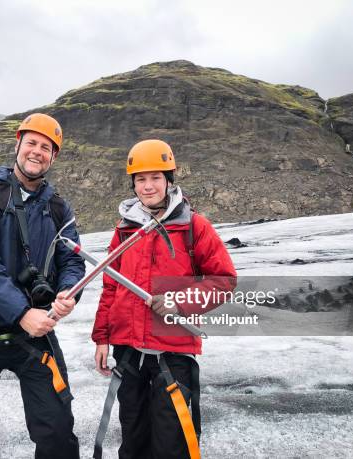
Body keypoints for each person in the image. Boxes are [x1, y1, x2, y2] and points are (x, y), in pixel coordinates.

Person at [0, 113, 85, 459]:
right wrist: (22, 312)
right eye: (32, 143)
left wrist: (69, 292)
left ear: (54, 157)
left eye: (46, 148)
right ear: (18, 145)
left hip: (36, 337)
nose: (37, 152)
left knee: (56, 432)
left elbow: (72, 260)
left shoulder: (58, 208)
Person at [91, 139, 237, 459]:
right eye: (140, 179)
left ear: (169, 180)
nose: (148, 186)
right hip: (128, 352)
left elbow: (223, 280)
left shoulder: (194, 226)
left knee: (172, 445)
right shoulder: (125, 229)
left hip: (173, 354)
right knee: (133, 440)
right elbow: (111, 286)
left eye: (155, 177)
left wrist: (179, 302)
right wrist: (102, 337)